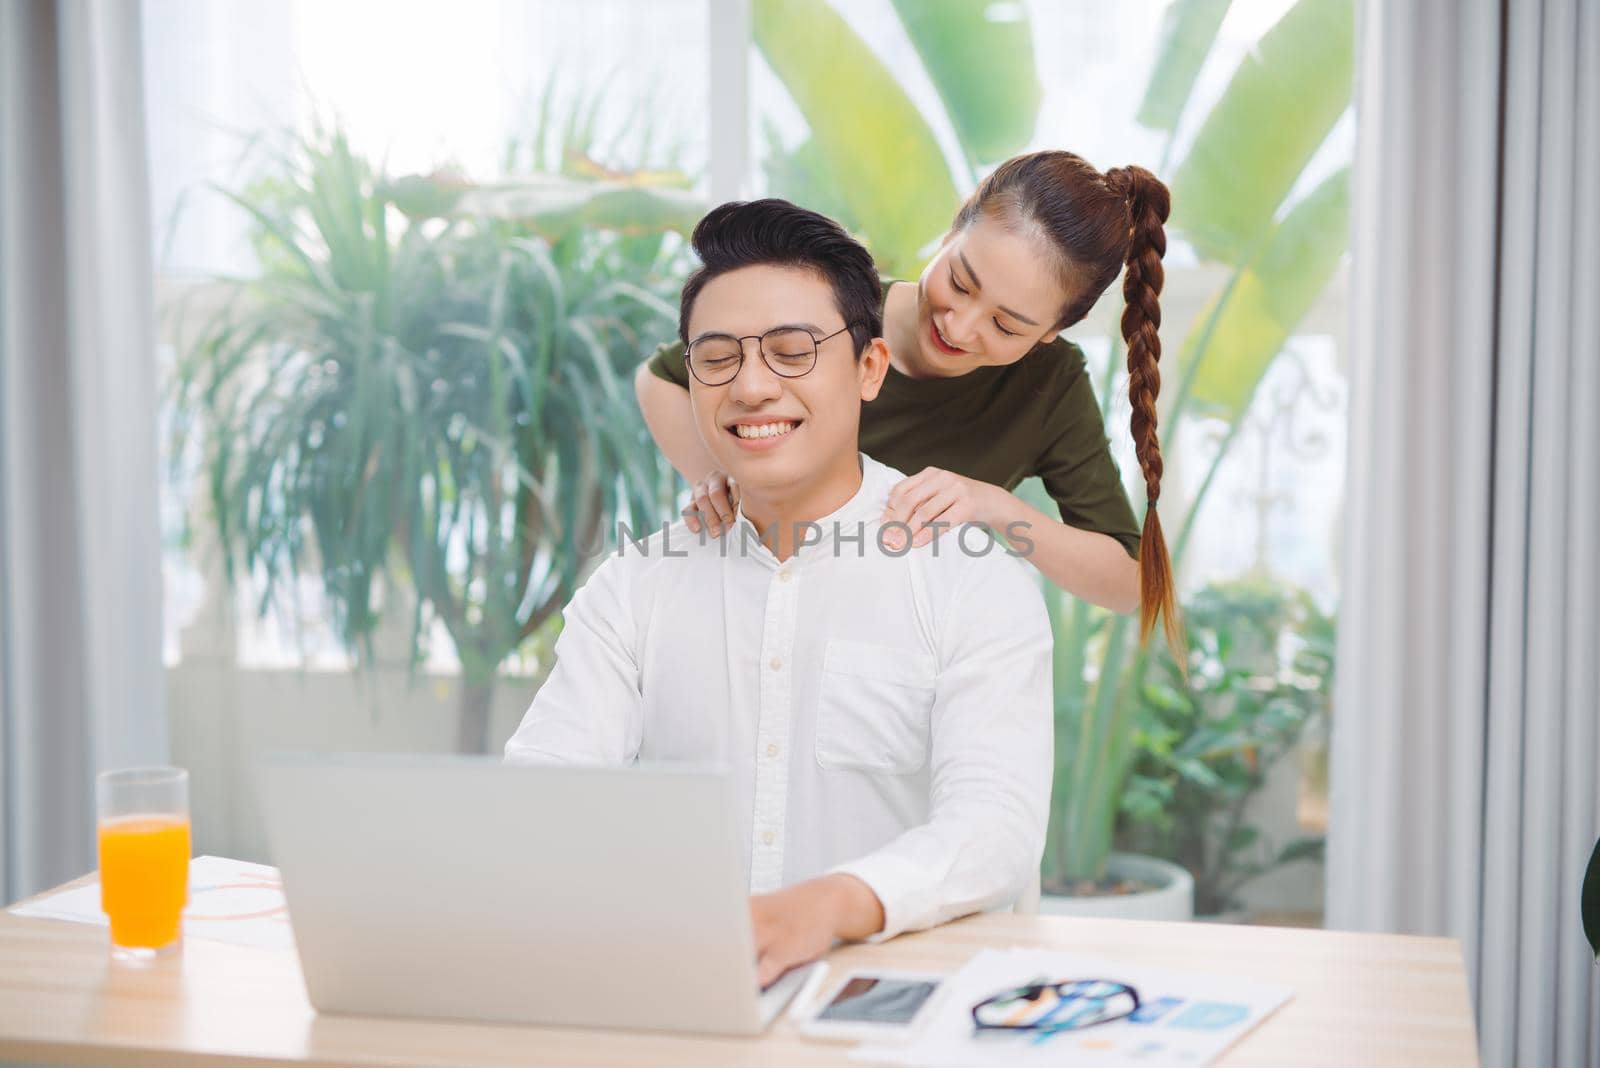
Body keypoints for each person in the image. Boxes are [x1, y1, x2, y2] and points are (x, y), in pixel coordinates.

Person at [505, 199, 1053, 987]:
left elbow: (994, 831)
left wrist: (826, 906)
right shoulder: (636, 586)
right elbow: (546, 791)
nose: (752, 386)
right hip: (686, 1001)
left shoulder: (971, 579)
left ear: (869, 370)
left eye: (793, 352)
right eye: (717, 357)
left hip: (893, 1016)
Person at [636, 150, 1180, 654]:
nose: (959, 326)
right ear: (952, 230)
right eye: (960, 283)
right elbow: (662, 378)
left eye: (1006, 325)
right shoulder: (833, 306)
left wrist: (988, 504)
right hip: (747, 619)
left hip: (886, 656)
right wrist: (721, 479)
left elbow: (1125, 582)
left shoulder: (1050, 385)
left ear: (1054, 332)